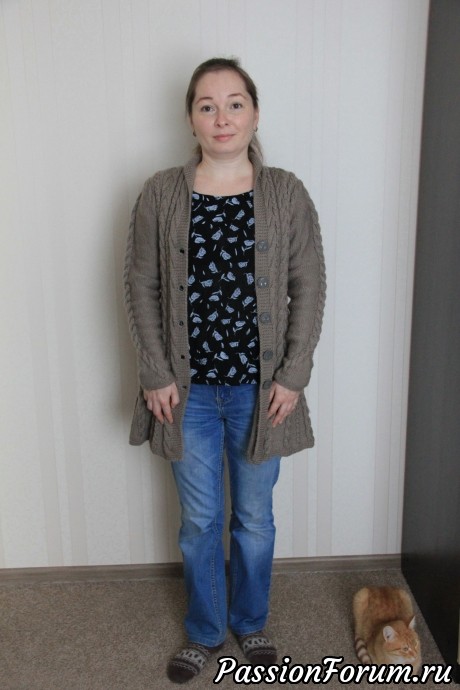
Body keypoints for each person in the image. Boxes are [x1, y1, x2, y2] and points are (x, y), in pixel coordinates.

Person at [124, 57, 326, 684]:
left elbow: (309, 286)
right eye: (207, 105)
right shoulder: (162, 192)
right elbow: (141, 286)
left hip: (261, 394)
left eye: (235, 103)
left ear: (255, 114)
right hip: (185, 394)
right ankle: (206, 632)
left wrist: (293, 375)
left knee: (254, 519)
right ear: (191, 117)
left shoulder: (285, 192)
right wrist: (155, 372)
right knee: (201, 522)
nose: (222, 117)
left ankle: (251, 622)